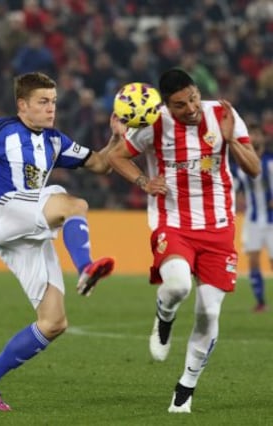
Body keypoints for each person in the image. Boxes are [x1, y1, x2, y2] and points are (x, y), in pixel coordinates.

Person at [0, 71, 116, 411]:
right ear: (22, 104)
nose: (50, 108)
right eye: (43, 102)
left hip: (27, 231)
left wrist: (117, 136)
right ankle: (85, 267)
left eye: (53, 102)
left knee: (54, 323)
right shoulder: (1, 130)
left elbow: (100, 164)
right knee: (74, 204)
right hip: (2, 214)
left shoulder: (55, 140)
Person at [107, 68, 261, 413]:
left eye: (192, 98)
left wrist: (230, 139)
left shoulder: (222, 114)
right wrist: (144, 182)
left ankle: (185, 389)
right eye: (180, 104)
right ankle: (164, 317)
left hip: (219, 227)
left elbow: (253, 169)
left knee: (208, 312)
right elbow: (116, 157)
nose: (190, 108)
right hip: (173, 222)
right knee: (177, 286)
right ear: (166, 105)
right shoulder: (153, 123)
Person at [233, 123, 273, 312]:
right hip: (253, 220)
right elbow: (233, 188)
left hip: (272, 222)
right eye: (251, 135)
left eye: (257, 135)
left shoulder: (271, 163)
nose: (254, 139)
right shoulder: (241, 168)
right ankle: (261, 302)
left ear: (263, 138)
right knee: (254, 261)